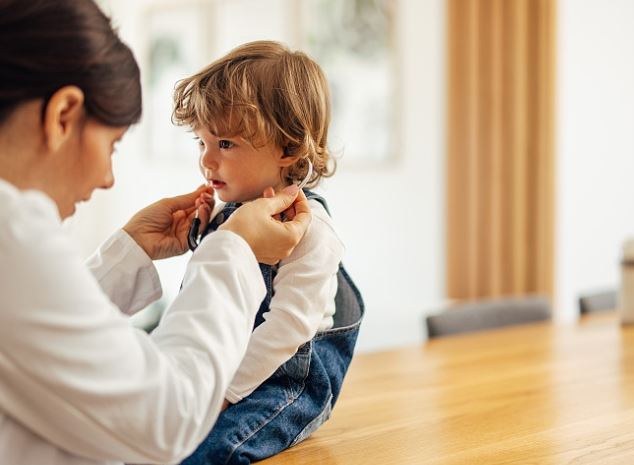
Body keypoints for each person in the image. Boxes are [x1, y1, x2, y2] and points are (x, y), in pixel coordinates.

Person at [0, 2, 312, 465]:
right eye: (112, 145)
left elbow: (31, 337)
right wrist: (236, 251)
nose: (108, 177)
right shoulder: (13, 237)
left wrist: (131, 250)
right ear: (64, 114)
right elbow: (170, 420)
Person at [173, 41, 364, 465]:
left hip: (288, 380)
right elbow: (215, 291)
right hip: (227, 364)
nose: (207, 161)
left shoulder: (312, 231)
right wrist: (202, 234)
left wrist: (220, 397)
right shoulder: (230, 213)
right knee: (151, 438)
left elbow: (289, 328)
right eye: (201, 142)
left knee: (212, 451)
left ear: (289, 148)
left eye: (224, 144)